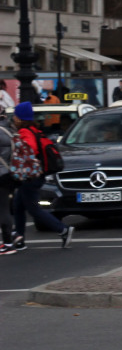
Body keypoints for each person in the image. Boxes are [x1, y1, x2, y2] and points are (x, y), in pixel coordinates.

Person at [9, 102, 74, 251]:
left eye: (15, 116)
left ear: (20, 118)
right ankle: (19, 239)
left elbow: (30, 148)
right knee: (18, 206)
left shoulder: (25, 132)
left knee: (33, 209)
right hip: (36, 175)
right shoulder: (34, 130)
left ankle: (63, 230)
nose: (14, 119)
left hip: (30, 176)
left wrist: (18, 152)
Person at [0, 118, 15, 255]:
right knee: (6, 207)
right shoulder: (9, 130)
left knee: (3, 210)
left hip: (1, 174)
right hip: (8, 173)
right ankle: (11, 238)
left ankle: (8, 243)